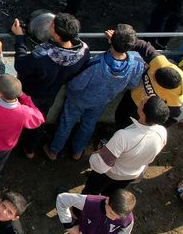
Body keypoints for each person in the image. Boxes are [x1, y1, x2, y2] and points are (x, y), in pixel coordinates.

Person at [48, 24, 144, 160]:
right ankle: (77, 152)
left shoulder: (96, 63)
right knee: (88, 125)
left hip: (79, 99)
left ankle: (54, 151)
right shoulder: (137, 61)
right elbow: (133, 84)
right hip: (103, 101)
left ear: (111, 41)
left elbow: (76, 85)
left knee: (66, 122)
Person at [11, 14, 87, 158]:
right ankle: (30, 150)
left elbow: (21, 66)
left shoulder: (42, 55)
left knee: (17, 116)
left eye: (52, 24)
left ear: (57, 35)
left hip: (28, 92)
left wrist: (19, 37)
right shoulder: (83, 51)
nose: (50, 24)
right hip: (51, 92)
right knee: (39, 119)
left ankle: (9, 141)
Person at [85, 96, 169, 196]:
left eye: (142, 102)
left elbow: (100, 166)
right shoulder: (162, 132)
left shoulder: (123, 136)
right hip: (132, 174)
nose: (141, 99)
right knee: (109, 196)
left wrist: (98, 153)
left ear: (142, 113)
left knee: (90, 193)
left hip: (111, 174)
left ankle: (78, 211)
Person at [115, 37, 183, 128]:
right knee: (119, 116)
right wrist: (122, 39)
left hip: (144, 115)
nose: (151, 73)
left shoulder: (176, 101)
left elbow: (172, 119)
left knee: (127, 128)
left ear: (163, 86)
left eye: (154, 78)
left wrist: (151, 126)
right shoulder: (160, 64)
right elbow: (142, 45)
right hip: (131, 97)